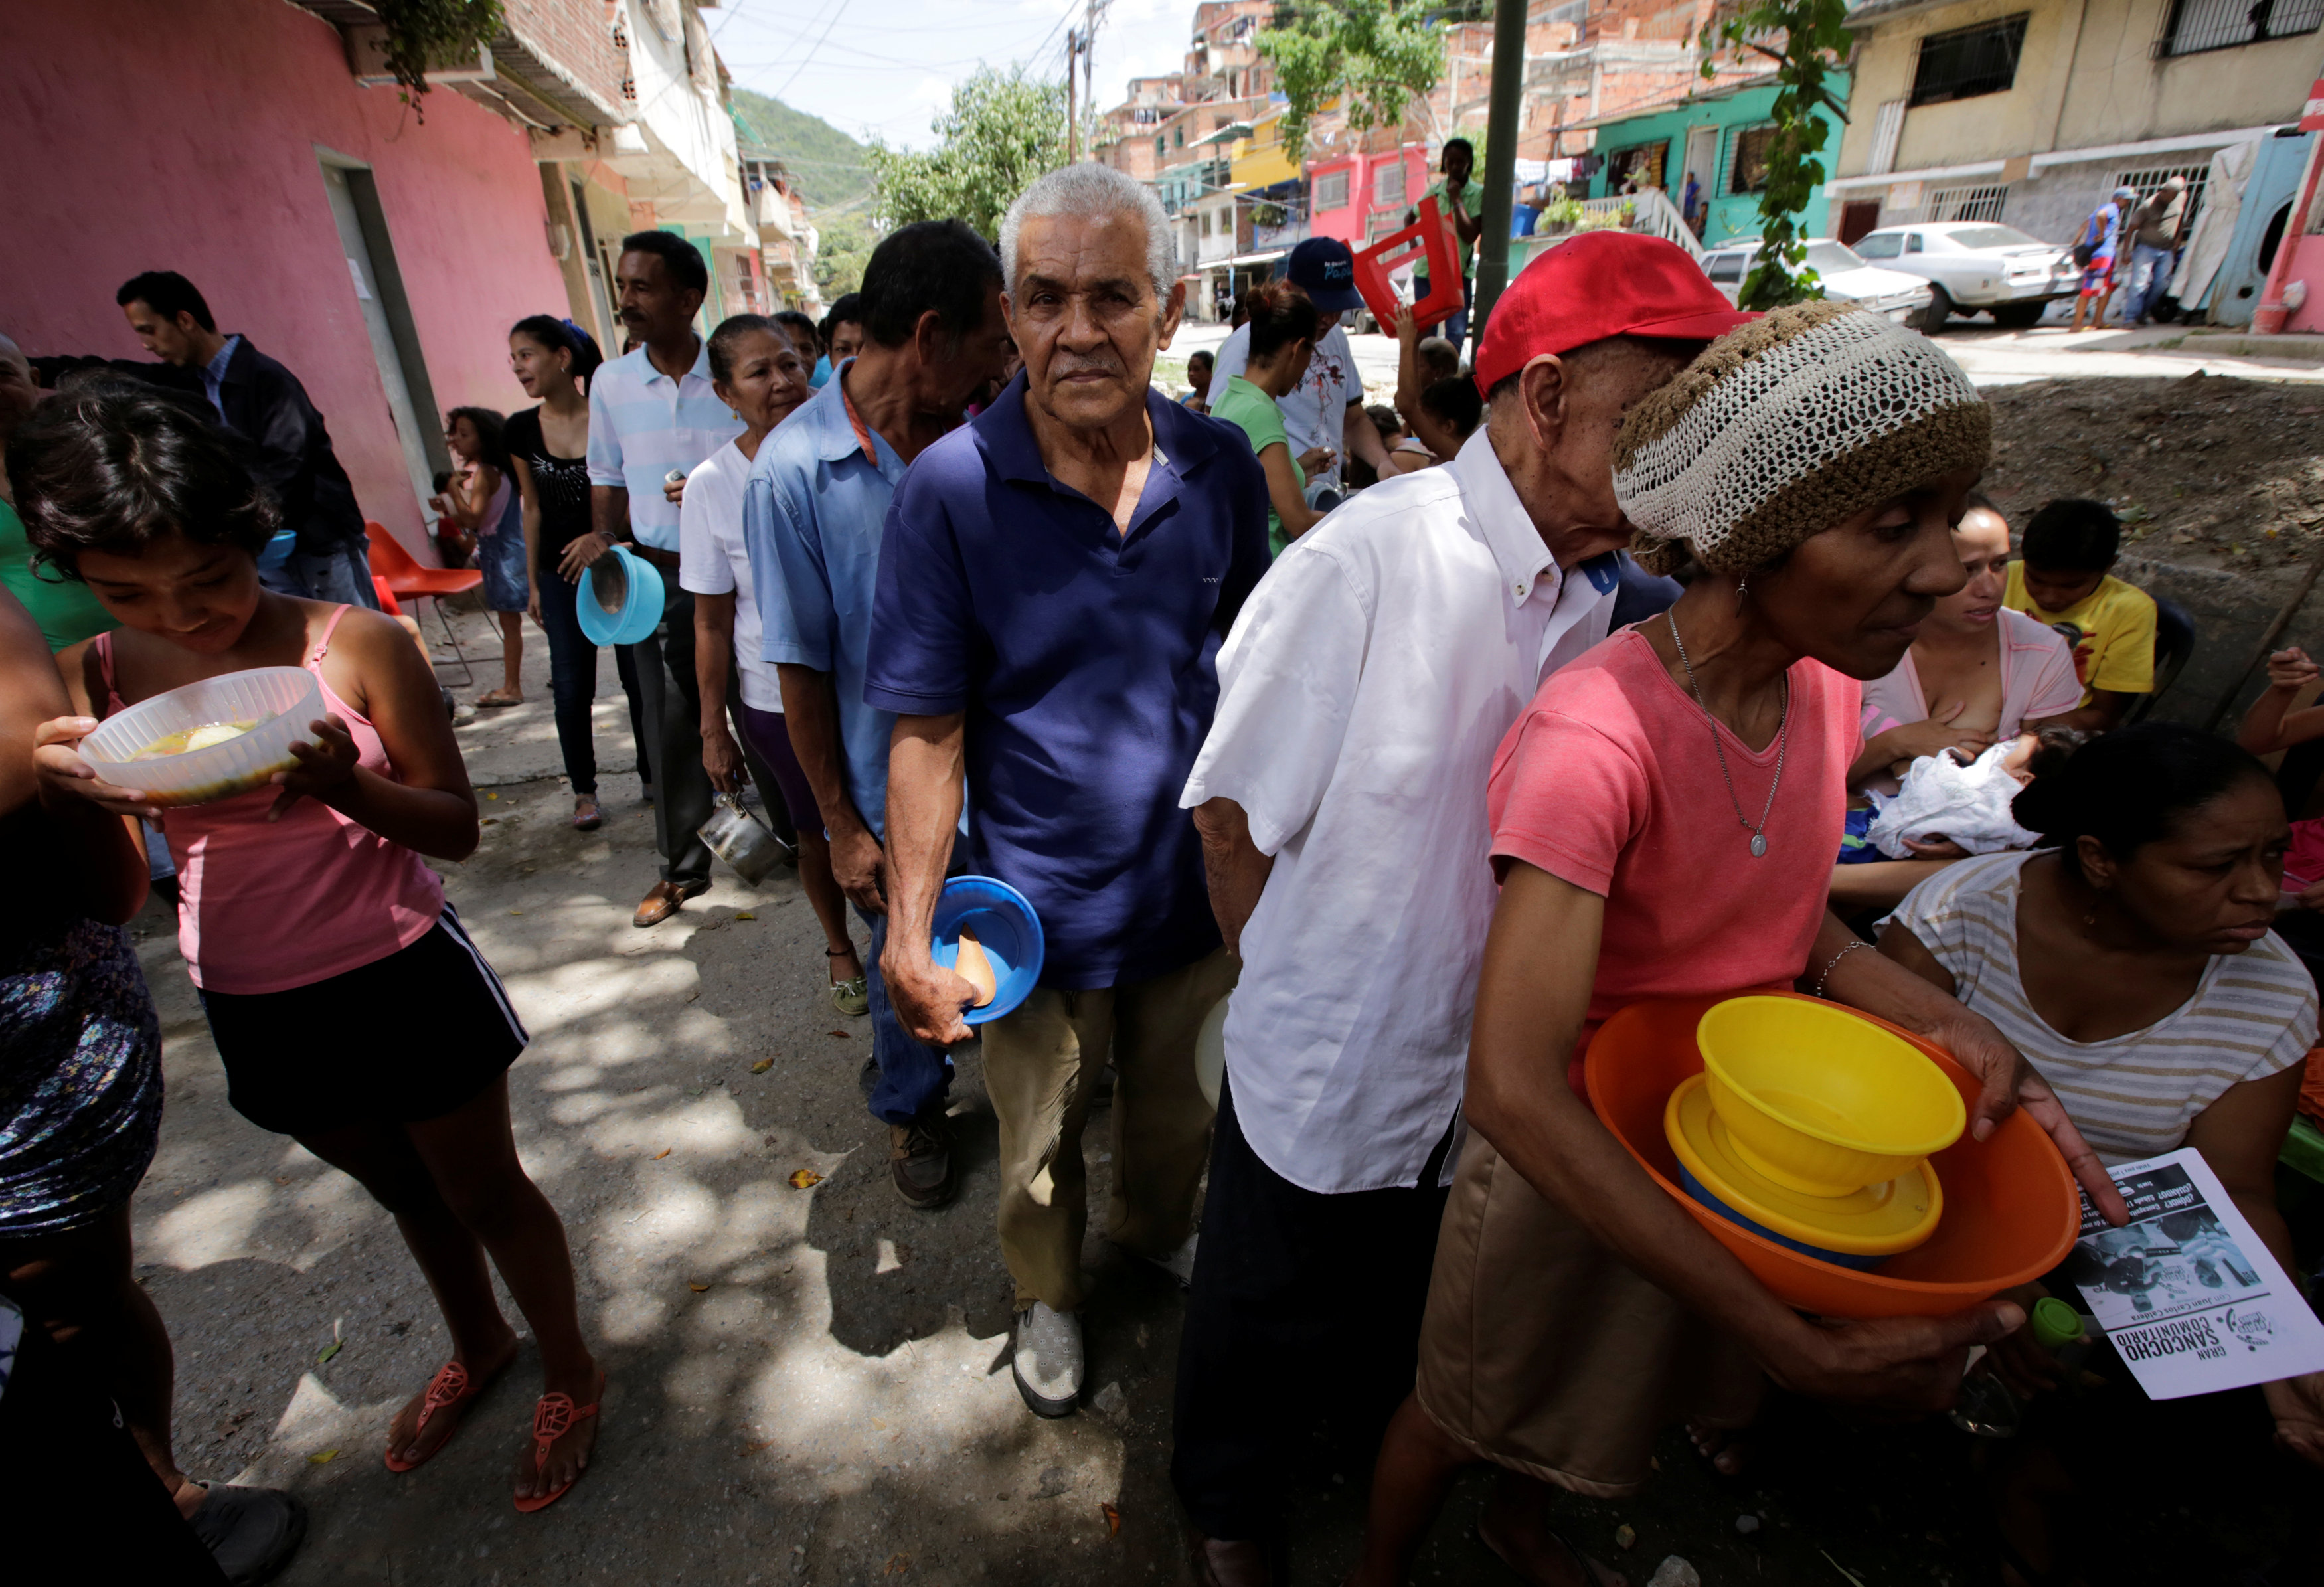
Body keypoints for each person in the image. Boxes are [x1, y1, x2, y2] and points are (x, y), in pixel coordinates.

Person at [1347, 303, 2128, 1587]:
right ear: (1758, 533)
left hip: (1722, 1149)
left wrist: (1946, 1026)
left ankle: (1520, 1526)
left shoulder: (1822, 688)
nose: (1942, 571)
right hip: (1573, 1165)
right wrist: (1786, 1338)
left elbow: (1783, 918)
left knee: (1600, 1414)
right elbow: (1513, 1085)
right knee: (1463, 1409)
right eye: (1893, 525)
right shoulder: (1596, 736)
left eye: (1949, 518)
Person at [1169, 232, 1748, 1582]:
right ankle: (1227, 1507)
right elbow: (1228, 817)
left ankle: (1353, 1454)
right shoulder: (1366, 563)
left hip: (1493, 1074)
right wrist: (1292, 992)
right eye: (1652, 425)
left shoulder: (1626, 603)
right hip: (1328, 1058)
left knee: (1402, 1306)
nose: (1682, 465)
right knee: (1255, 1308)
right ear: (1544, 403)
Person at [19, 383, 604, 1513]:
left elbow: (461, 827)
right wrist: (69, 795)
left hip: (398, 970)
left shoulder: (357, 644)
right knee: (403, 1191)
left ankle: (570, 1362)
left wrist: (350, 788)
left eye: (212, 580)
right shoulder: (98, 679)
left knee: (483, 1188)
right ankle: (478, 1344)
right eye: (128, 592)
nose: (182, 617)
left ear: (255, 532)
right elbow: (109, 888)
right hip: (250, 992)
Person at [871, 163, 1270, 1426]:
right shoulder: (950, 491)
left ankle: (1155, 1237)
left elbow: (1253, 676)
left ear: (1172, 303)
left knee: (1180, 1112)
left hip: (1192, 903)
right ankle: (1048, 1293)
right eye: (1046, 299)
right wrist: (909, 928)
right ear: (1009, 313)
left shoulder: (1219, 470)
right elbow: (927, 731)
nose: (1079, 331)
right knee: (1037, 1147)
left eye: (1113, 296)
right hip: (1030, 918)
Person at [1878, 726, 2324, 1582]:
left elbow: (2233, 1190)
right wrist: (2001, 1275)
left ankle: (2033, 1481)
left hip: (2112, 1235)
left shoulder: (2269, 989)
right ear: (2099, 857)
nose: (2262, 891)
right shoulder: (1960, 914)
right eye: (2215, 866)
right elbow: (1882, 1121)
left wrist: (2271, 1346)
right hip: (1926, 1193)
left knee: (2226, 1391)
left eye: (2272, 855)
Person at [0, 576, 303, 1581]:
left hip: (40, 1065)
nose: (180, 614)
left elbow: (111, 879)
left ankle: (158, 1479)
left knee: (68, 1299)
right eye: (129, 587)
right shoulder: (88, 658)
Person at [750, 222, 1016, 1207]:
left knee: (1007, 932)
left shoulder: (989, 436)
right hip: (886, 785)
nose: (1009, 354)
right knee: (903, 953)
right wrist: (840, 822)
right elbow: (802, 669)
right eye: (995, 335)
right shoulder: (793, 473)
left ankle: (1029, 1071)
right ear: (934, 335)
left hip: (1008, 769)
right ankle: (913, 1109)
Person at [679, 315, 863, 1016]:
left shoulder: (841, 453)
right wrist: (711, 728)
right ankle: (839, 945)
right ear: (726, 393)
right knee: (820, 832)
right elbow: (709, 619)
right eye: (759, 372)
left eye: (790, 364)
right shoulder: (711, 484)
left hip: (862, 687)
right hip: (773, 697)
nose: (782, 381)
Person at [584, 231, 744, 927]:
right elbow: (606, 475)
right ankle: (682, 869)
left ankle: (809, 842)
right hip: (663, 580)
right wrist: (604, 542)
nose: (626, 301)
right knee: (671, 721)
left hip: (748, 573)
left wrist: (713, 489)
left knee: (772, 712)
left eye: (641, 287)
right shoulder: (612, 382)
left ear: (689, 298)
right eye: (622, 286)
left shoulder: (736, 373)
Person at [1834, 495, 2087, 916]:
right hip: (1851, 829)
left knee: (2012, 867)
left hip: (1975, 862)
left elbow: (2055, 786)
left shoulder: (2040, 652)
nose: (1989, 587)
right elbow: (1803, 778)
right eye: (1968, 569)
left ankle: (1808, 886)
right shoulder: (1856, 643)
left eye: (2000, 564)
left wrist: (1974, 839)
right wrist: (1897, 743)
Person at [114, 271, 377, 608]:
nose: (147, 345)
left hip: (320, 540)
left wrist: (243, 528)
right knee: (302, 647)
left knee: (357, 635)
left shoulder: (267, 379)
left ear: (184, 320)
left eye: (149, 331)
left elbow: (288, 464)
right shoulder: (190, 383)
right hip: (267, 547)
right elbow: (117, 372)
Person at [505, 315, 618, 831]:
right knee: (572, 686)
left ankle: (653, 777)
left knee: (641, 680)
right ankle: (585, 791)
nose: (517, 367)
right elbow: (530, 508)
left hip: (619, 563)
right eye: (514, 358)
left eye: (526, 355)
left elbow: (625, 487)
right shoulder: (519, 429)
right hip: (559, 574)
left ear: (562, 358)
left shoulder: (607, 415)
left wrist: (612, 540)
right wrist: (531, 581)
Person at [1209, 238, 1391, 500]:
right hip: (1279, 513)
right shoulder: (1244, 344)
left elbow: (1354, 419)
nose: (1329, 318)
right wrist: (1287, 476)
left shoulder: (1337, 336)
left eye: (1338, 307)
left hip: (1322, 498)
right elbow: (1219, 439)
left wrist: (1383, 462)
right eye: (1320, 306)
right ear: (1287, 288)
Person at [0, 331, 114, 653]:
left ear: (33, 378)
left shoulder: (89, 447)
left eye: (2, 374)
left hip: (150, 638)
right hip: (44, 664)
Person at [2004, 497, 2157, 732]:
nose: (2048, 597)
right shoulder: (2002, 578)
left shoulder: (2130, 610)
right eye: (2035, 580)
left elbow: (2102, 717)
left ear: (2108, 567)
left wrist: (2013, 725)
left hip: (2055, 728)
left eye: (2070, 586)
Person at [1208, 282, 1326, 556]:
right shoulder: (1259, 414)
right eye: (1312, 353)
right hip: (1267, 572)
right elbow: (1298, 522)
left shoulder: (1230, 397)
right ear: (1297, 350)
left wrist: (1298, 467)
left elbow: (1252, 486)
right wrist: (1355, 514)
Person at [436, 407, 527, 709]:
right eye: (455, 434)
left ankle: (512, 687)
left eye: (465, 434)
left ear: (484, 438)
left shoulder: (487, 473)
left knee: (510, 621)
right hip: (509, 547)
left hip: (500, 552)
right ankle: (567, 661)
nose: (456, 441)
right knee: (532, 613)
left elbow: (473, 519)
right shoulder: (503, 470)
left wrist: (453, 490)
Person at [1417, 138, 1486, 349]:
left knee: (1455, 335)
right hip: (1427, 273)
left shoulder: (1478, 193)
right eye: (1450, 162)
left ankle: (1448, 380)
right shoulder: (1435, 191)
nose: (1455, 167)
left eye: (1460, 162)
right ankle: (1425, 381)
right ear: (1444, 163)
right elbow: (1410, 217)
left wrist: (1457, 199)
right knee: (1425, 334)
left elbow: (1469, 235)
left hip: (1459, 274)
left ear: (1469, 163)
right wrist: (1416, 247)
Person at [2121, 177, 2190, 326]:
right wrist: (2125, 252)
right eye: (2166, 192)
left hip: (2167, 250)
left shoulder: (2181, 197)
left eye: (2173, 193)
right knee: (2139, 284)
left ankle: (2142, 313)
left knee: (2161, 285)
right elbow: (2131, 229)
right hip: (2146, 248)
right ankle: (2131, 317)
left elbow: (2180, 220)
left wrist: (2176, 244)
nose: (2168, 196)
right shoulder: (2148, 205)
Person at [2068, 189, 2136, 333]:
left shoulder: (2103, 209)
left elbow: (2084, 225)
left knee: (2107, 288)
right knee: (2089, 289)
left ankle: (2098, 321)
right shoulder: (2111, 208)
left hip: (2106, 255)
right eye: (2127, 199)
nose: (2129, 203)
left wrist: (2076, 240)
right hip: (2101, 255)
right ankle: (2077, 325)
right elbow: (2100, 216)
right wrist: (2101, 233)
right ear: (2119, 199)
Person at [811, 293, 865, 389]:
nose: (854, 359)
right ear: (829, 352)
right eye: (843, 349)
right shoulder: (817, 404)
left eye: (866, 349)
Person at [1181, 347, 1215, 413]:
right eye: (1189, 369)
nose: (1191, 373)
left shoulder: (1216, 402)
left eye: (1196, 369)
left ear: (1211, 372)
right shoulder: (1185, 401)